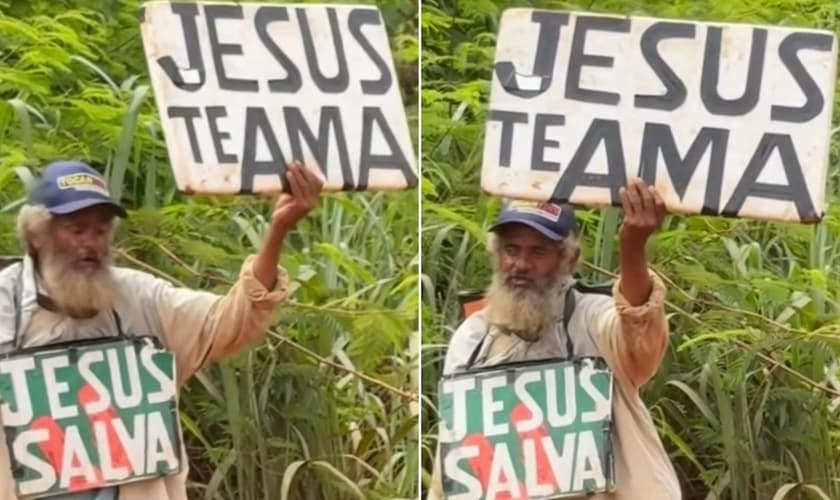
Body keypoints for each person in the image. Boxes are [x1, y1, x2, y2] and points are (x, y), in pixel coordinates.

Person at [0, 159, 324, 500]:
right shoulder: (6, 305)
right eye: (77, 229)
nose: (91, 243)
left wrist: (277, 231)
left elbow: (230, 319)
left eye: (100, 230)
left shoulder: (139, 298)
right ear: (37, 236)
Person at [427, 178, 681, 499]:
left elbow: (637, 331)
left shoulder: (590, 319)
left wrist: (632, 248)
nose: (520, 265)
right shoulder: (474, 338)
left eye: (538, 251)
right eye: (511, 250)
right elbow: (456, 454)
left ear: (568, 260)